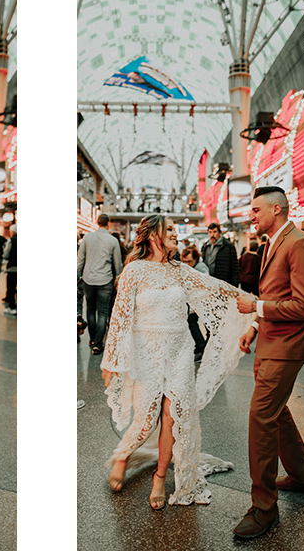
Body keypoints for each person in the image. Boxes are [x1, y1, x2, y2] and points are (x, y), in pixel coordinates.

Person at [102, 215, 254, 510]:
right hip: (147, 352)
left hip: (180, 352)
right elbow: (119, 319)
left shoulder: (180, 271)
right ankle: (122, 456)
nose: (176, 234)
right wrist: (113, 360)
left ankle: (161, 477)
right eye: (169, 229)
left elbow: (217, 288)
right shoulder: (134, 271)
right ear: (151, 235)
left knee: (173, 417)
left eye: (175, 229)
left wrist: (252, 303)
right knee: (146, 418)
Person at [232, 186, 304, 539]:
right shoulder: (274, 241)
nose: (250, 215)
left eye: (255, 210)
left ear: (277, 209)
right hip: (270, 340)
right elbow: (275, 295)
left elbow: (303, 306)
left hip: (287, 344)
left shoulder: (299, 243)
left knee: (260, 416)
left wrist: (254, 308)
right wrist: (254, 327)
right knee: (276, 410)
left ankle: (264, 507)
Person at [77, 214, 123, 355]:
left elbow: (80, 260)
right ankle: (98, 344)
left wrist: (76, 276)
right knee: (102, 312)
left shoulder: (87, 238)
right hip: (105, 280)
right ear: (108, 224)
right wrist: (118, 278)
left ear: (97, 222)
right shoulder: (113, 241)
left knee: (90, 310)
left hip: (89, 280)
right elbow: (117, 264)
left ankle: (92, 340)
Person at [3, 224, 17, 315]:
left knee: (11, 288)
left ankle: (12, 307)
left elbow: (6, 254)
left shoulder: (11, 241)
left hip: (13, 268)